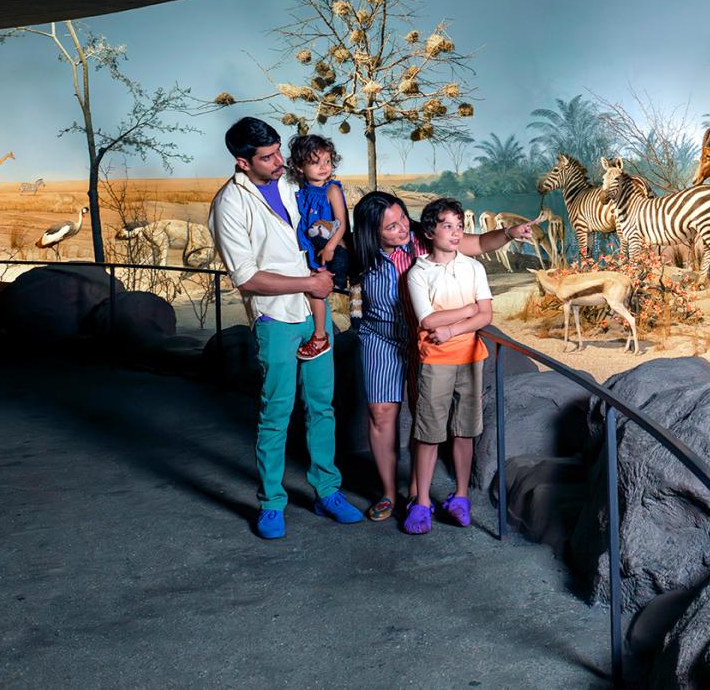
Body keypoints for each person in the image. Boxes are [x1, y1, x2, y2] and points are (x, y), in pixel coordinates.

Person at [208, 117, 363, 539]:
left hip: (316, 313)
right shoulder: (229, 205)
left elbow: (328, 217)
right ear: (243, 162)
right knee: (276, 414)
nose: (280, 161)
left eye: (279, 151)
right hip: (275, 317)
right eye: (268, 157)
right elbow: (246, 277)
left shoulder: (294, 183)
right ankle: (272, 503)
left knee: (322, 407)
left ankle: (327, 491)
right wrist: (310, 283)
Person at [350, 191, 532, 523]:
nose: (402, 228)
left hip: (426, 338)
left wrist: (508, 233)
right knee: (380, 413)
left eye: (403, 217)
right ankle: (389, 493)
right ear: (371, 233)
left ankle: (416, 493)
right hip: (382, 336)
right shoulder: (358, 254)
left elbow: (476, 244)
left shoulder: (425, 238)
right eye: (391, 227)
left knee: (426, 415)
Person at [403, 198, 492, 535]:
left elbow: (487, 314)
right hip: (435, 361)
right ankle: (422, 502)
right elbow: (428, 318)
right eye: (448, 225)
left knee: (465, 430)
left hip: (470, 358)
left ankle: (461, 497)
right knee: (428, 434)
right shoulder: (418, 272)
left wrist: (453, 328)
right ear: (429, 231)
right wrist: (468, 311)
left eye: (460, 225)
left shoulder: (474, 268)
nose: (456, 233)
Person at [287, 134, 349, 361]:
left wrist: (331, 246)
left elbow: (340, 222)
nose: (324, 167)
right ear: (300, 166)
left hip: (325, 248)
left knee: (315, 290)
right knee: (306, 287)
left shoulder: (331, 190)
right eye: (315, 162)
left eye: (327, 161)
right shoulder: (299, 192)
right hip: (306, 248)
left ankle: (321, 336)